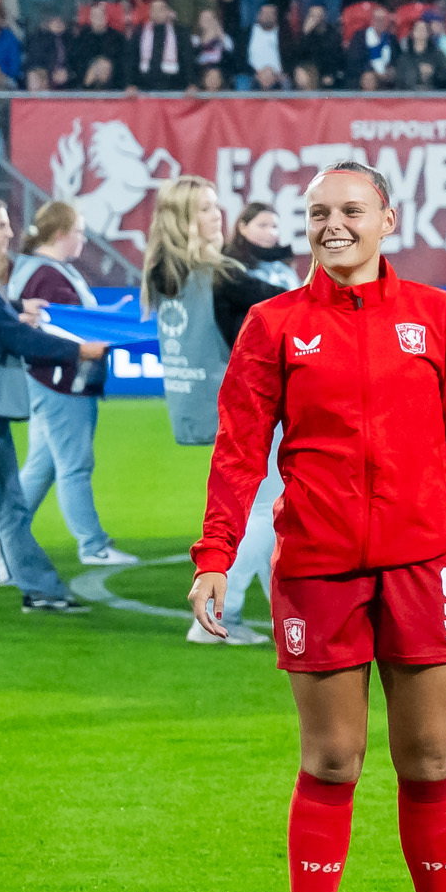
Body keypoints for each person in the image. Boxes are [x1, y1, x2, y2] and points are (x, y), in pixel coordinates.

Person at [185, 163, 446, 892]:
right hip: (319, 568)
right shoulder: (273, 324)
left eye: (351, 210)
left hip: (425, 564)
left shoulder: (437, 316)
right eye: (318, 212)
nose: (333, 224)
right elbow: (239, 447)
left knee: (429, 756)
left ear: (387, 219)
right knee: (333, 759)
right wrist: (216, 554)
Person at [143, 177, 289, 643]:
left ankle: (283, 609)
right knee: (265, 511)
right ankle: (218, 617)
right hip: (247, 407)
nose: (217, 214)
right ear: (185, 220)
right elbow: (288, 305)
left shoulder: (165, 272)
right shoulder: (220, 275)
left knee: (262, 506)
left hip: (204, 402)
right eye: (205, 208)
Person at [0, 195, 108, 620]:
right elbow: (13, 337)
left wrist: (17, 308)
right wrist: (78, 351)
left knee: (11, 502)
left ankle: (41, 590)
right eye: (1, 225)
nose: (9, 233)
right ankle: (41, 589)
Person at [8, 204, 122, 569]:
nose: (83, 240)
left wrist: (109, 317)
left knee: (41, 468)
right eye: (79, 232)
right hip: (62, 382)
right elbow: (57, 333)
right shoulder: (47, 274)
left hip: (48, 380)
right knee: (75, 466)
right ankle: (93, 545)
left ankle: (2, 540)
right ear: (60, 234)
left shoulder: (39, 269)